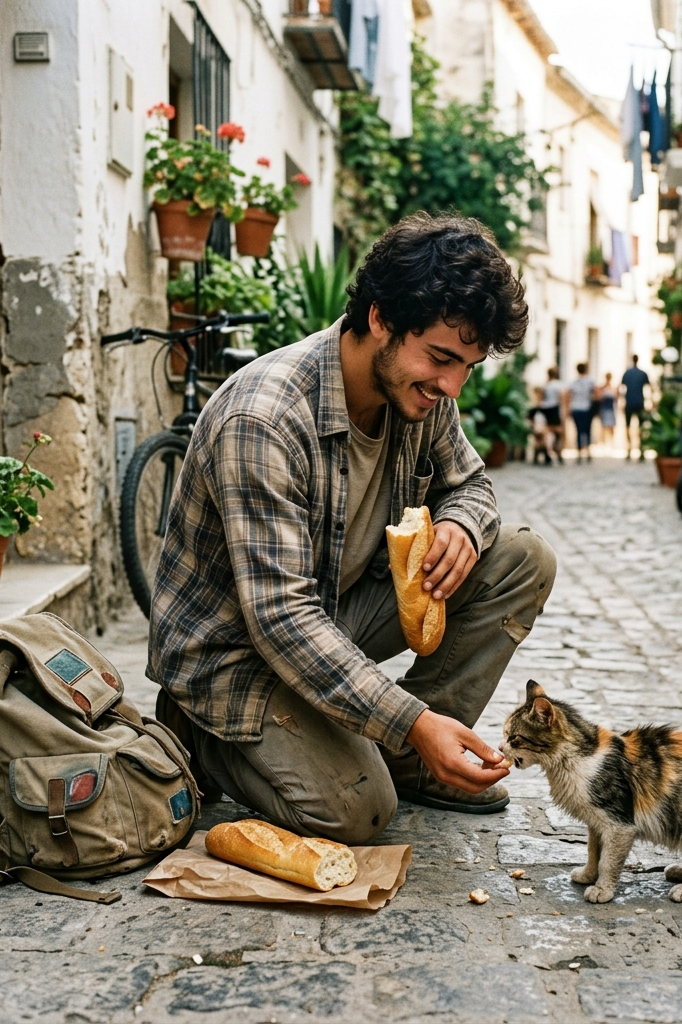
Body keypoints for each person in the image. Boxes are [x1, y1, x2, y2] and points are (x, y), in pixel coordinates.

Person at [148, 214, 557, 845]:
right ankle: (207, 742)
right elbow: (281, 619)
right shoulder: (265, 417)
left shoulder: (421, 397)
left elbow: (473, 485)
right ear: (378, 318)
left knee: (523, 558)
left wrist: (461, 527)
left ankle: (413, 760)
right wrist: (413, 718)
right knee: (358, 815)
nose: (452, 385)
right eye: (442, 358)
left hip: (333, 621)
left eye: (467, 367)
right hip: (236, 664)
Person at [530, 366, 566, 464]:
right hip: (554, 409)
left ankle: (543, 454)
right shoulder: (559, 385)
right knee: (557, 433)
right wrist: (563, 415)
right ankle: (558, 454)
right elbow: (561, 400)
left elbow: (540, 400)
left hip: (544, 410)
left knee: (544, 433)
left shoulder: (545, 385)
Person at [620, 354, 651, 460]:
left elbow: (622, 388)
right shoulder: (642, 373)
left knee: (628, 426)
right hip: (639, 402)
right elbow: (648, 388)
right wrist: (649, 402)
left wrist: (621, 401)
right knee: (641, 427)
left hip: (629, 402)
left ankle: (629, 449)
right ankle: (641, 449)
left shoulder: (627, 373)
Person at [569, 362, 595, 463]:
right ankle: (588, 452)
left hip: (576, 408)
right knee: (587, 430)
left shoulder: (573, 382)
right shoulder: (590, 381)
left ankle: (579, 453)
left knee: (578, 430)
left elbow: (570, 396)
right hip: (586, 408)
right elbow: (595, 394)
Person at [597, 372, 617, 448]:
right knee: (604, 427)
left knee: (611, 427)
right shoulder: (602, 388)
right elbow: (599, 398)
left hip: (611, 409)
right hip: (605, 408)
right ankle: (604, 444)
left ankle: (611, 443)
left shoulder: (613, 388)